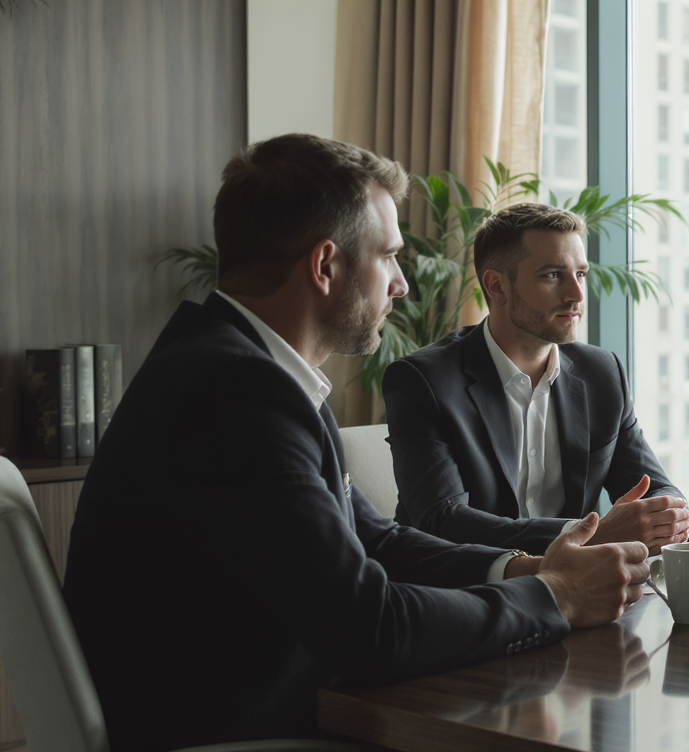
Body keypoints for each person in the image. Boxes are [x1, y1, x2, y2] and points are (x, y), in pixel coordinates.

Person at [62, 134, 650, 752]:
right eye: (389, 256)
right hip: (226, 733)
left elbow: (373, 537)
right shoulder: (235, 394)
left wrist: (524, 566)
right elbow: (373, 630)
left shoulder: (248, 369)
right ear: (325, 266)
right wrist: (555, 596)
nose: (401, 284)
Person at [382, 202, 689, 556]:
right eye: (552, 275)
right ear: (497, 287)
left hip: (582, 593)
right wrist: (591, 533)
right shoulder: (423, 381)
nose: (576, 295)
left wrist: (671, 517)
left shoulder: (602, 372)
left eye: (580, 274)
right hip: (467, 594)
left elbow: (654, 486)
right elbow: (441, 520)